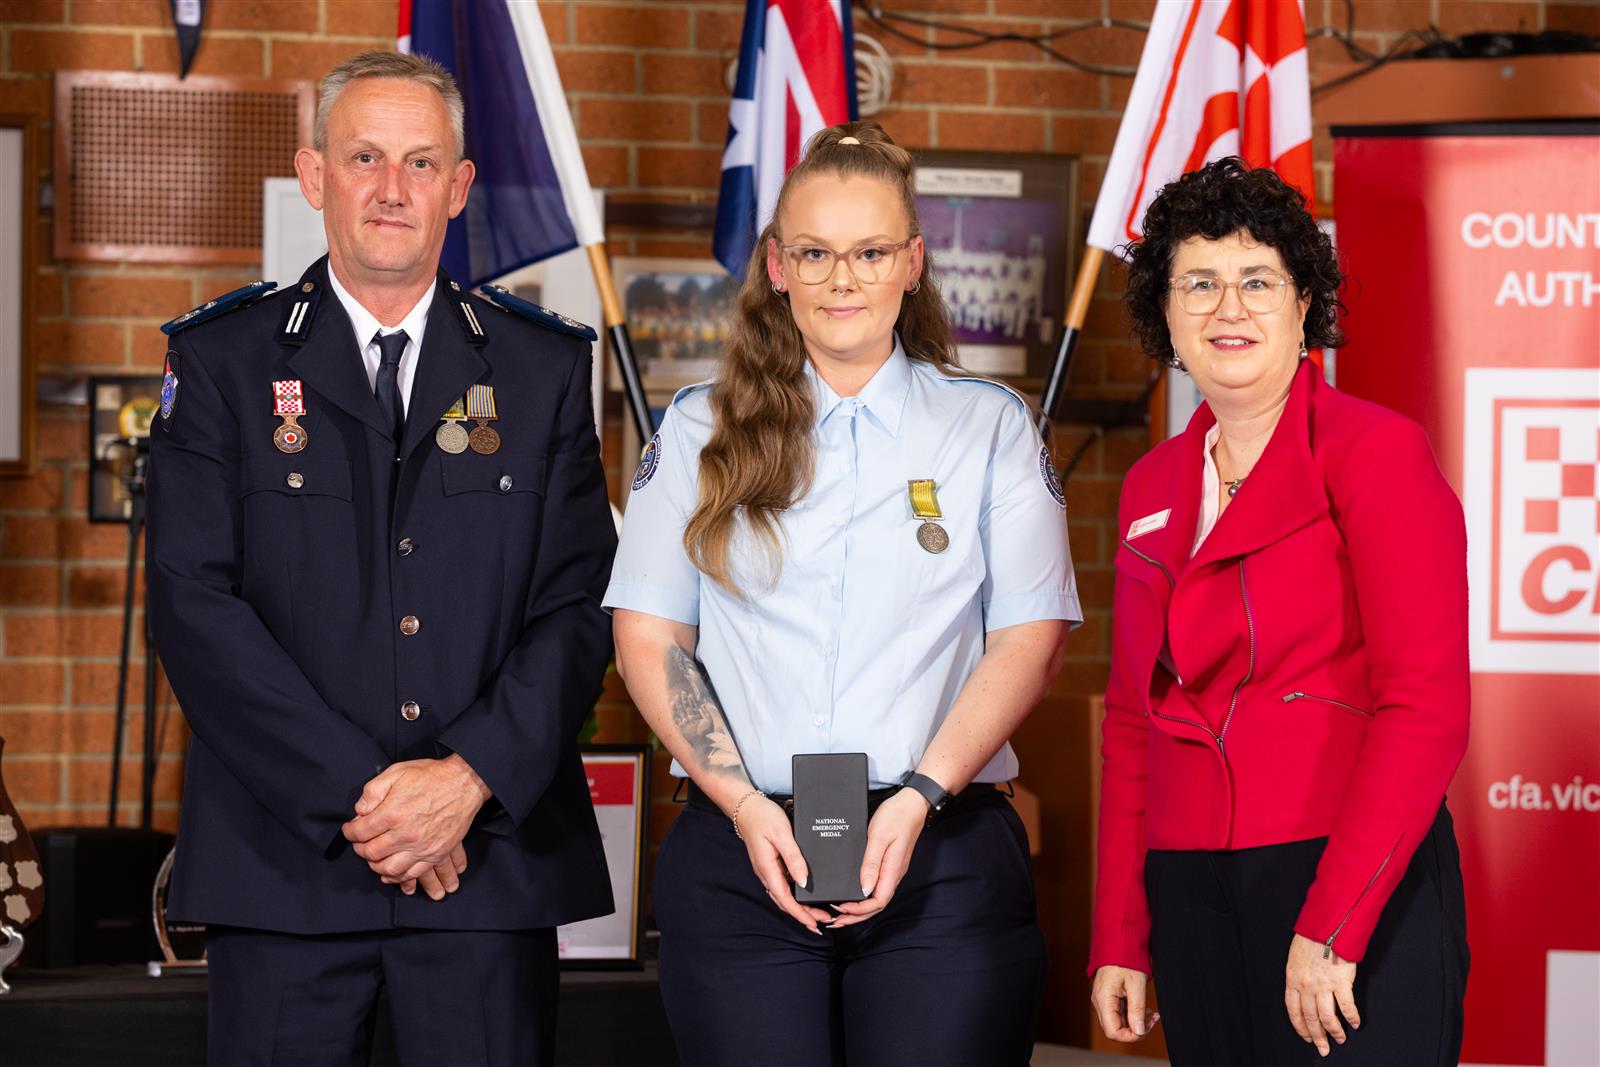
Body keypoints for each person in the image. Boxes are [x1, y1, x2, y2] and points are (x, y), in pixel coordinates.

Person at [146, 51, 616, 1065]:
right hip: (285, 866)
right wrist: (372, 800)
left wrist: (465, 780)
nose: (392, 189)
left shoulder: (540, 368)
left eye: (419, 161)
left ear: (459, 185)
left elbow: (578, 604)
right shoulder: (224, 361)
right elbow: (193, 605)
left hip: (484, 864)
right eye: (364, 157)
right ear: (315, 176)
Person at [605, 122, 1080, 1067]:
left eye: (869, 252)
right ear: (777, 265)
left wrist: (915, 800)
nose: (842, 278)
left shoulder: (991, 429)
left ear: (912, 262)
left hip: (939, 853)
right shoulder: (701, 426)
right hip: (745, 851)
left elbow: (1029, 638)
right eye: (815, 253)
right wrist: (743, 804)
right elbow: (651, 635)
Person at [1088, 158, 1470, 1066]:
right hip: (1189, 896)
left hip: (1349, 878)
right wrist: (1119, 931)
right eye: (1200, 284)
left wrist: (1334, 922)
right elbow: (1132, 726)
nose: (1229, 309)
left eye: (1258, 280)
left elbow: (1426, 708)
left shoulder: (1378, 455)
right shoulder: (1149, 487)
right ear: (1165, 314)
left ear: (1304, 305)